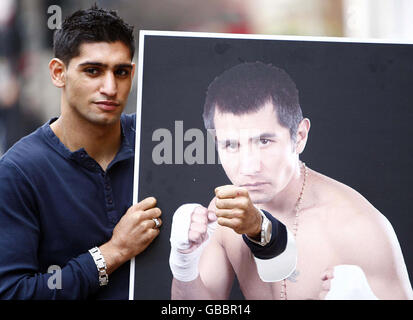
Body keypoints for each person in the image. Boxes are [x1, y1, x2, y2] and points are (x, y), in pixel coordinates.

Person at [169, 61, 413, 300]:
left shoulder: (358, 229)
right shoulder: (222, 214)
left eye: (264, 141)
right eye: (231, 145)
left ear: (299, 136)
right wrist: (183, 264)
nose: (250, 167)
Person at [0, 6, 162, 299]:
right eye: (93, 71)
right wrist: (113, 252)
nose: (110, 87)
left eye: (121, 72)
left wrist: (258, 229)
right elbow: (14, 292)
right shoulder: (19, 172)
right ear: (58, 73)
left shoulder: (157, 142)